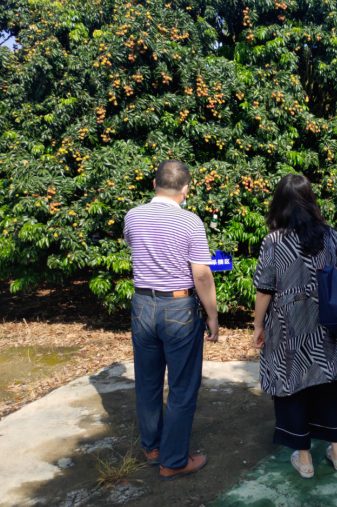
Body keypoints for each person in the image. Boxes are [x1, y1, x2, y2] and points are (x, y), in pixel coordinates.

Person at [252, 174, 337, 479]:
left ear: (279, 203)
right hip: (326, 323)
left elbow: (264, 288)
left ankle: (305, 460)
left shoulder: (274, 241)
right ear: (310, 200)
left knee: (291, 385)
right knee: (326, 383)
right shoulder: (329, 234)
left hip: (288, 327)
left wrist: (257, 325)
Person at [124, 160, 219, 481]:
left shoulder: (133, 216)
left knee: (148, 381)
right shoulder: (190, 221)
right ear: (186, 189)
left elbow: (133, 247)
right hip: (178, 308)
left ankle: (153, 448)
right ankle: (174, 460)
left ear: (154, 184)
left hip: (142, 305)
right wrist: (213, 314)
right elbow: (202, 275)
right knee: (181, 387)